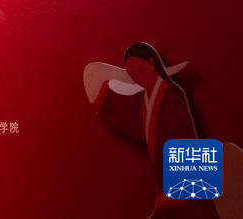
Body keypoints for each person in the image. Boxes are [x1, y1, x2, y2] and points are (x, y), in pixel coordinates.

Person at [84, 42, 218, 218]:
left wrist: (185, 198)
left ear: (151, 63)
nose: (139, 78)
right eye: (133, 75)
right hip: (167, 190)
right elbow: (125, 118)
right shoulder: (145, 102)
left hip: (186, 191)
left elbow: (188, 144)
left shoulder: (172, 96)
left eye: (140, 69)